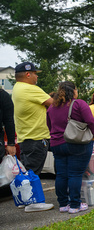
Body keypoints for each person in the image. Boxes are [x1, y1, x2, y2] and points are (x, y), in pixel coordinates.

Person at [47, 81, 94, 214]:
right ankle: (75, 205)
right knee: (75, 174)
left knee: (61, 175)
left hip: (56, 144)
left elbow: (49, 124)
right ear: (74, 91)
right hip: (76, 143)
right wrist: (92, 135)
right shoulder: (79, 103)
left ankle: (63, 204)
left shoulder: (52, 106)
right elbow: (91, 121)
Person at [11, 62, 54, 212]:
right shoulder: (30, 88)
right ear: (28, 74)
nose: (36, 76)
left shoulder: (17, 89)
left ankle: (25, 199)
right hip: (36, 136)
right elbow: (53, 104)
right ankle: (34, 203)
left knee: (28, 169)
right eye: (35, 73)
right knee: (34, 171)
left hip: (25, 136)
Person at [0, 88, 16, 161]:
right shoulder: (3, 95)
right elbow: (9, 121)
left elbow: (9, 121)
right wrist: (11, 143)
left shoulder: (3, 95)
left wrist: (11, 143)